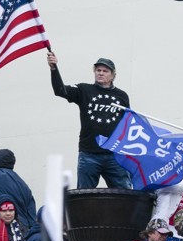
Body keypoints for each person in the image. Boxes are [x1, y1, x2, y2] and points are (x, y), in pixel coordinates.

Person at [47, 50, 132, 189]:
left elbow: (127, 124)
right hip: (89, 154)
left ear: (112, 75)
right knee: (84, 196)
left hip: (115, 155)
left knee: (126, 194)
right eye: (98, 70)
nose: (100, 73)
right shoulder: (84, 90)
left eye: (105, 71)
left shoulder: (122, 96)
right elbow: (60, 90)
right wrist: (54, 68)